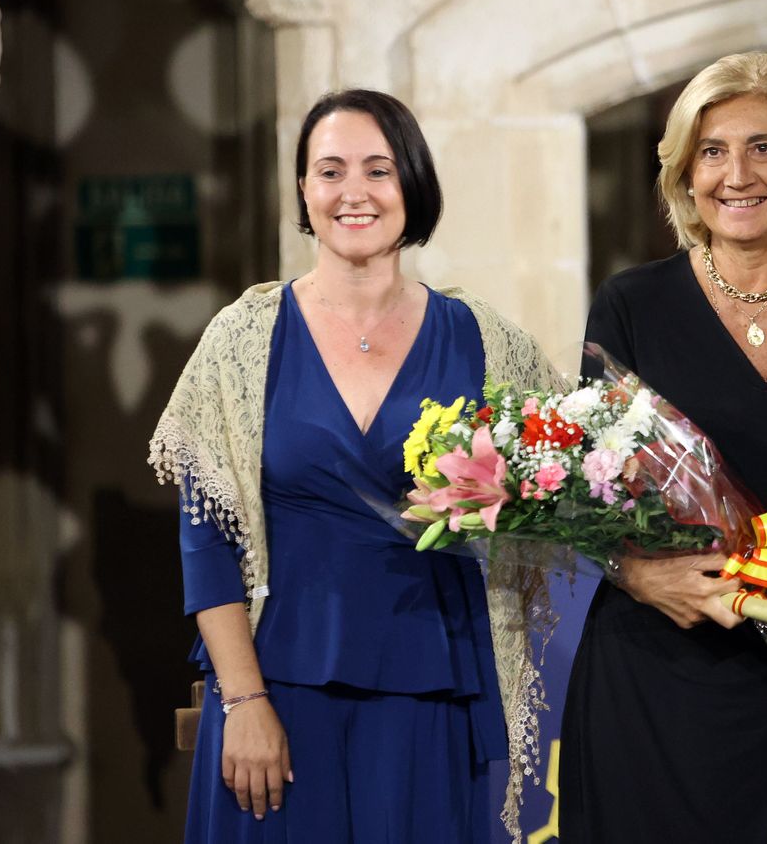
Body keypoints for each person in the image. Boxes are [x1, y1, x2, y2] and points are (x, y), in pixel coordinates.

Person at [148, 88, 561, 842]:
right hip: (275, 694)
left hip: (436, 688)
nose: (354, 192)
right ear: (304, 191)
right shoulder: (241, 339)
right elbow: (205, 540)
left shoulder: (488, 343)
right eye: (329, 170)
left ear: (413, 184)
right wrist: (242, 702)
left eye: (378, 169)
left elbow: (556, 495)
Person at [558, 52, 767, 843]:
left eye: (763, 147)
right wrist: (633, 573)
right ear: (685, 174)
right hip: (657, 671)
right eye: (712, 151)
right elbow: (588, 488)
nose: (737, 174)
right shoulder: (631, 303)